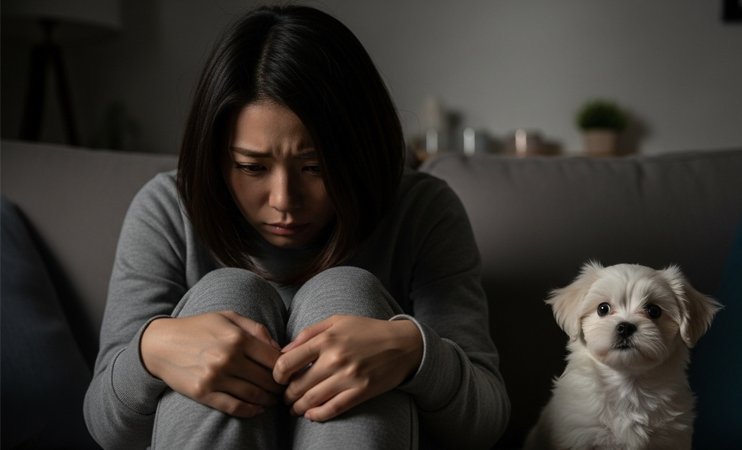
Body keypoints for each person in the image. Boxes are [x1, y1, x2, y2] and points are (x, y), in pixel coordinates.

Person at [84, 5, 510, 449]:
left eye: (315, 167)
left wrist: (413, 352)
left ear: (359, 151)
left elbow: (482, 425)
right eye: (252, 166)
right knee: (226, 294)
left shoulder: (422, 211)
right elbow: (108, 429)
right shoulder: (169, 210)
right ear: (217, 157)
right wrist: (151, 351)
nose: (284, 200)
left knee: (346, 293)